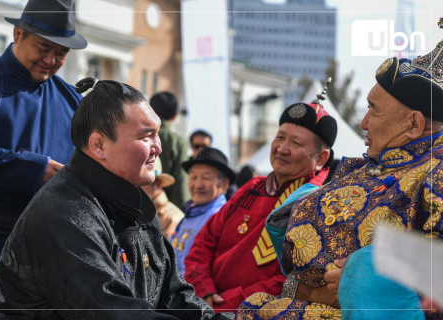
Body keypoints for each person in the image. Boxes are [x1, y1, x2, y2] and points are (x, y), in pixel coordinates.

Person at [0, 78, 234, 320]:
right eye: (146, 136)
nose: (158, 147)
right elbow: (110, 310)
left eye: (157, 134)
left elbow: (175, 295)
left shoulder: (136, 208)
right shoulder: (66, 213)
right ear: (98, 144)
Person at [237, 19, 443, 320]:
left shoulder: (436, 168)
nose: (363, 123)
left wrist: (366, 275)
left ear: (413, 124)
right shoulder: (371, 164)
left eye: (373, 109)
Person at [0, 0, 87, 317]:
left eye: (61, 53)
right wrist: (32, 169)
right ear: (18, 34)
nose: (51, 60)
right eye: (43, 47)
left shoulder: (72, 101)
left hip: (49, 257)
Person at [184, 98, 338, 312]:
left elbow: (294, 278)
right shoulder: (252, 187)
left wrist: (227, 304)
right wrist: (203, 289)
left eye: (296, 143)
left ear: (321, 158)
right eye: (280, 138)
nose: (282, 148)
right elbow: (205, 240)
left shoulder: (318, 203)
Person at [171, 146, 235, 275]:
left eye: (206, 178)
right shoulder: (190, 213)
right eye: (193, 177)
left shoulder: (222, 218)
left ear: (224, 184)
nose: (198, 185)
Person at [150, 91, 190, 210]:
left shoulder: (137, 134)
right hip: (163, 209)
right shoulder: (178, 142)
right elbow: (181, 183)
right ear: (175, 116)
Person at [142, 157, 184, 239]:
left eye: (142, 181)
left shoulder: (173, 219)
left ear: (158, 184)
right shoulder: (139, 213)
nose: (135, 185)